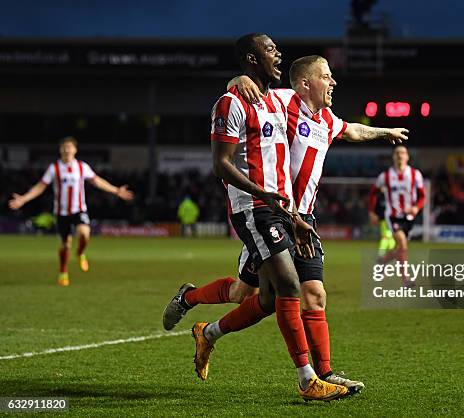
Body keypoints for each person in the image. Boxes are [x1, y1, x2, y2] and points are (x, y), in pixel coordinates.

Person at [163, 54, 408, 394]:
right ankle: (192, 303)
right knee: (245, 293)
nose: (333, 82)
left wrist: (385, 131)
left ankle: (325, 374)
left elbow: (351, 129)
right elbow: (242, 94)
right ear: (306, 83)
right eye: (326, 76)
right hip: (274, 214)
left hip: (303, 219)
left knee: (312, 294)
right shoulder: (281, 101)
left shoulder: (326, 119)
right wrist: (237, 79)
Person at [8, 136, 134, 286]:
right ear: (60, 150)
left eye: (70, 147)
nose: (67, 150)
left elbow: (97, 181)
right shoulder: (54, 168)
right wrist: (23, 199)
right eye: (64, 147)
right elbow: (40, 186)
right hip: (61, 213)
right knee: (65, 245)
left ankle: (80, 253)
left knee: (84, 234)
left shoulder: (81, 167)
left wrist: (116, 190)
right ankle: (63, 272)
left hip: (78, 210)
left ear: (75, 150)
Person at [369, 145, 425, 286]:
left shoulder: (415, 174)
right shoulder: (385, 176)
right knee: (402, 242)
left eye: (403, 153)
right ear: (393, 157)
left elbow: (423, 196)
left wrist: (416, 208)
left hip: (409, 217)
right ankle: (406, 279)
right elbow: (373, 194)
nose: (400, 155)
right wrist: (372, 212)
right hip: (392, 216)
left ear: (407, 157)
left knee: (401, 248)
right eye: (397, 153)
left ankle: (382, 262)